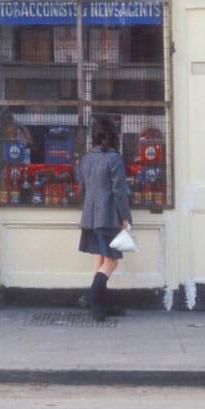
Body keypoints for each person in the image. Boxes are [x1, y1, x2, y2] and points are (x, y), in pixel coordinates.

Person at [77, 116, 132, 321]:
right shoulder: (114, 159)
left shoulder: (86, 158)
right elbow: (119, 192)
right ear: (113, 136)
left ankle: (101, 303)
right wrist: (125, 217)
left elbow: (82, 186)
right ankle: (91, 298)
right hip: (108, 216)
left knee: (100, 258)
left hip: (90, 216)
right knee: (112, 260)